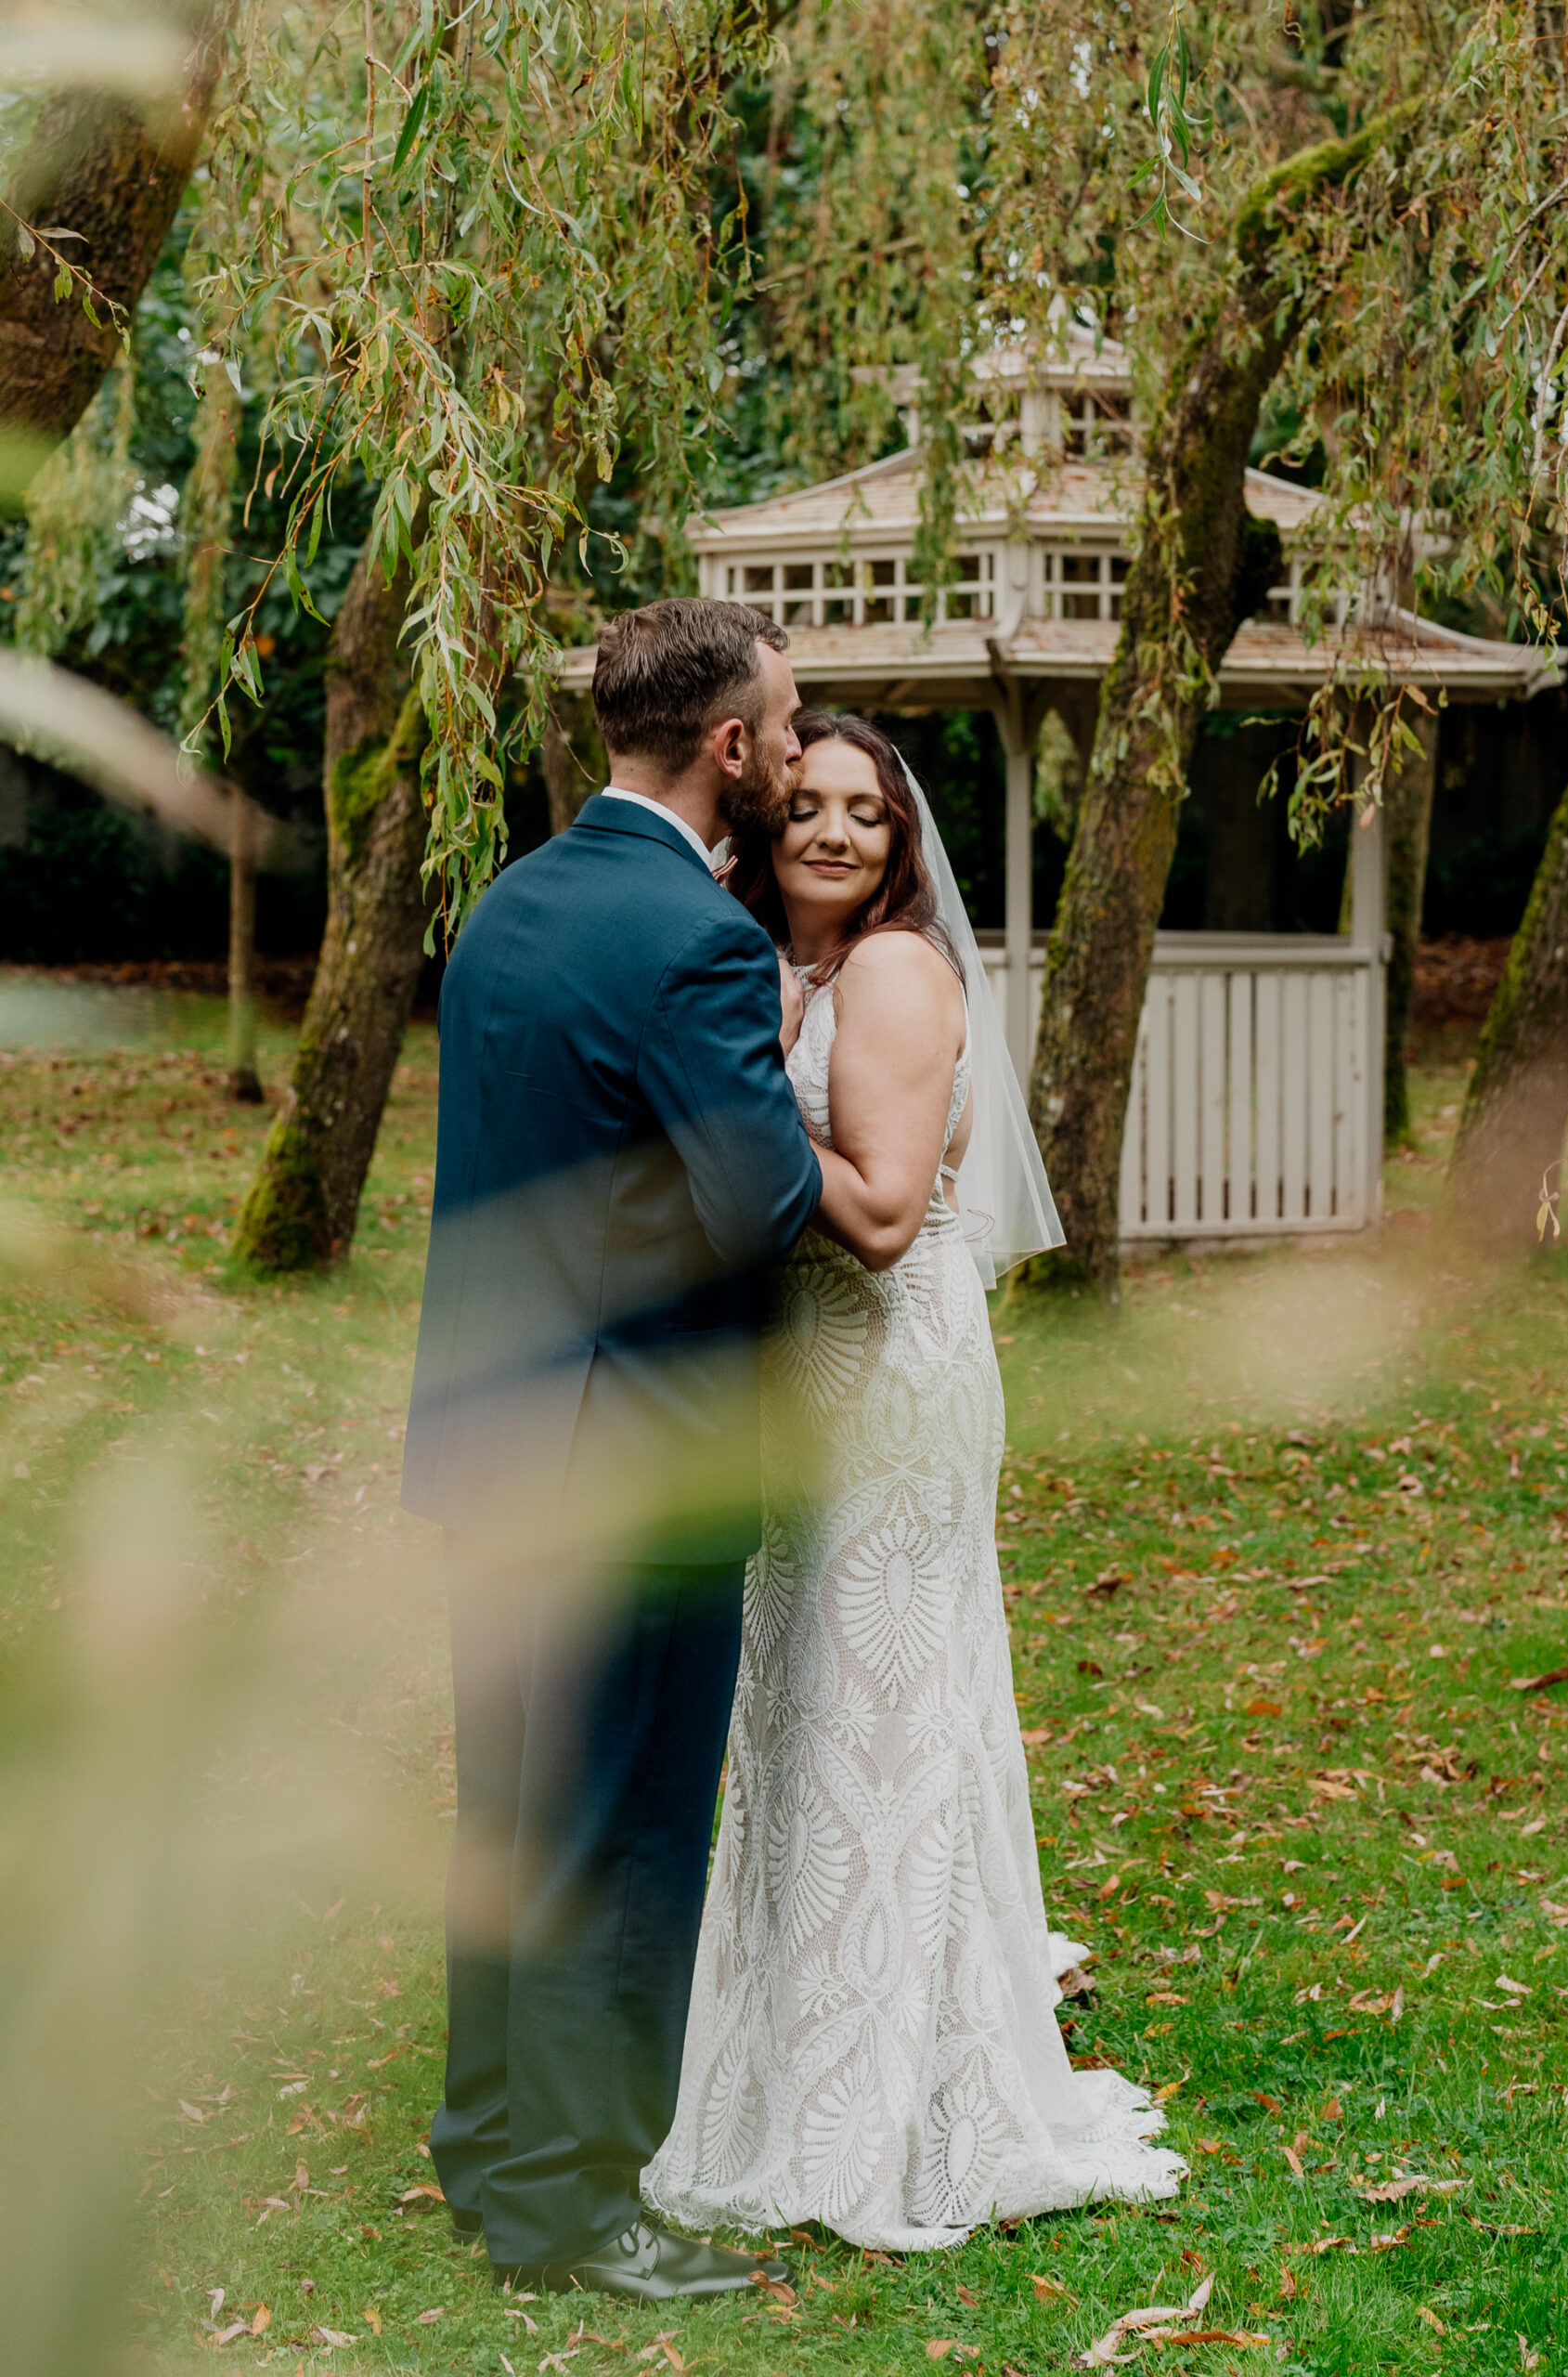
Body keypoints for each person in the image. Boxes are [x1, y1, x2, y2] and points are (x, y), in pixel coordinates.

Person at [644, 712, 1185, 2249]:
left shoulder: (887, 973)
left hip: (887, 1367)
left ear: (899, 847)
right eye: (802, 804)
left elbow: (880, 1215)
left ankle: (892, 2085)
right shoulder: (782, 968)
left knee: (883, 1704)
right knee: (807, 1699)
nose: (829, 832)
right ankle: (799, 2045)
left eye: (863, 815)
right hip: (805, 1372)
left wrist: (729, 1105)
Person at [401, 600, 827, 2302]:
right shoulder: (694, 939)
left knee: (513, 1819)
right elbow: (763, 1204)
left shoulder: (514, 902)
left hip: (499, 1436)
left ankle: (488, 2146)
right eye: (787, 725)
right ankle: (579, 2207)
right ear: (729, 747)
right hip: (634, 1461)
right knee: (628, 1833)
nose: (799, 752)